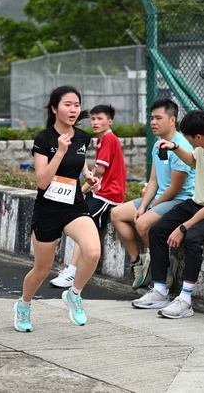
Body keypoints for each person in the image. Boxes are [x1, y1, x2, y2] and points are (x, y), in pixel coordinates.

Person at [132, 110, 204, 319]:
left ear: (198, 137)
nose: (187, 141)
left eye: (188, 138)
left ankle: (185, 299)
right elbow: (194, 161)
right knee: (157, 230)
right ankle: (160, 291)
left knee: (192, 238)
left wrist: (183, 227)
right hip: (198, 201)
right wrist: (175, 148)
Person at [13, 85, 101, 331]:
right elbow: (42, 182)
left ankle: (74, 295)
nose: (73, 110)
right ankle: (23, 305)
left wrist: (87, 175)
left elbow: (79, 160)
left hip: (74, 206)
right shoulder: (44, 139)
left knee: (93, 251)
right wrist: (60, 152)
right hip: (48, 211)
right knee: (42, 269)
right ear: (54, 108)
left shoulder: (83, 137)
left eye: (77, 105)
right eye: (67, 105)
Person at [109, 98, 195, 289]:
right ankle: (138, 261)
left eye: (158, 118)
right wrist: (142, 206)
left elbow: (175, 188)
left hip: (180, 200)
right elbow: (154, 181)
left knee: (142, 223)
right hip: (161, 198)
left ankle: (165, 266)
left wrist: (151, 207)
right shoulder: (158, 144)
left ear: (172, 120)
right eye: (151, 118)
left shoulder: (181, 146)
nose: (153, 122)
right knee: (117, 214)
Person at [49, 104, 127, 288]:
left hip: (109, 194)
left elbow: (99, 170)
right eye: (93, 119)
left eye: (100, 119)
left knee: (83, 225)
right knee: (79, 221)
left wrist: (82, 189)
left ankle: (73, 271)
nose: (95, 122)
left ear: (110, 121)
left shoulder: (109, 139)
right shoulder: (101, 140)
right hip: (100, 191)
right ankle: (72, 270)